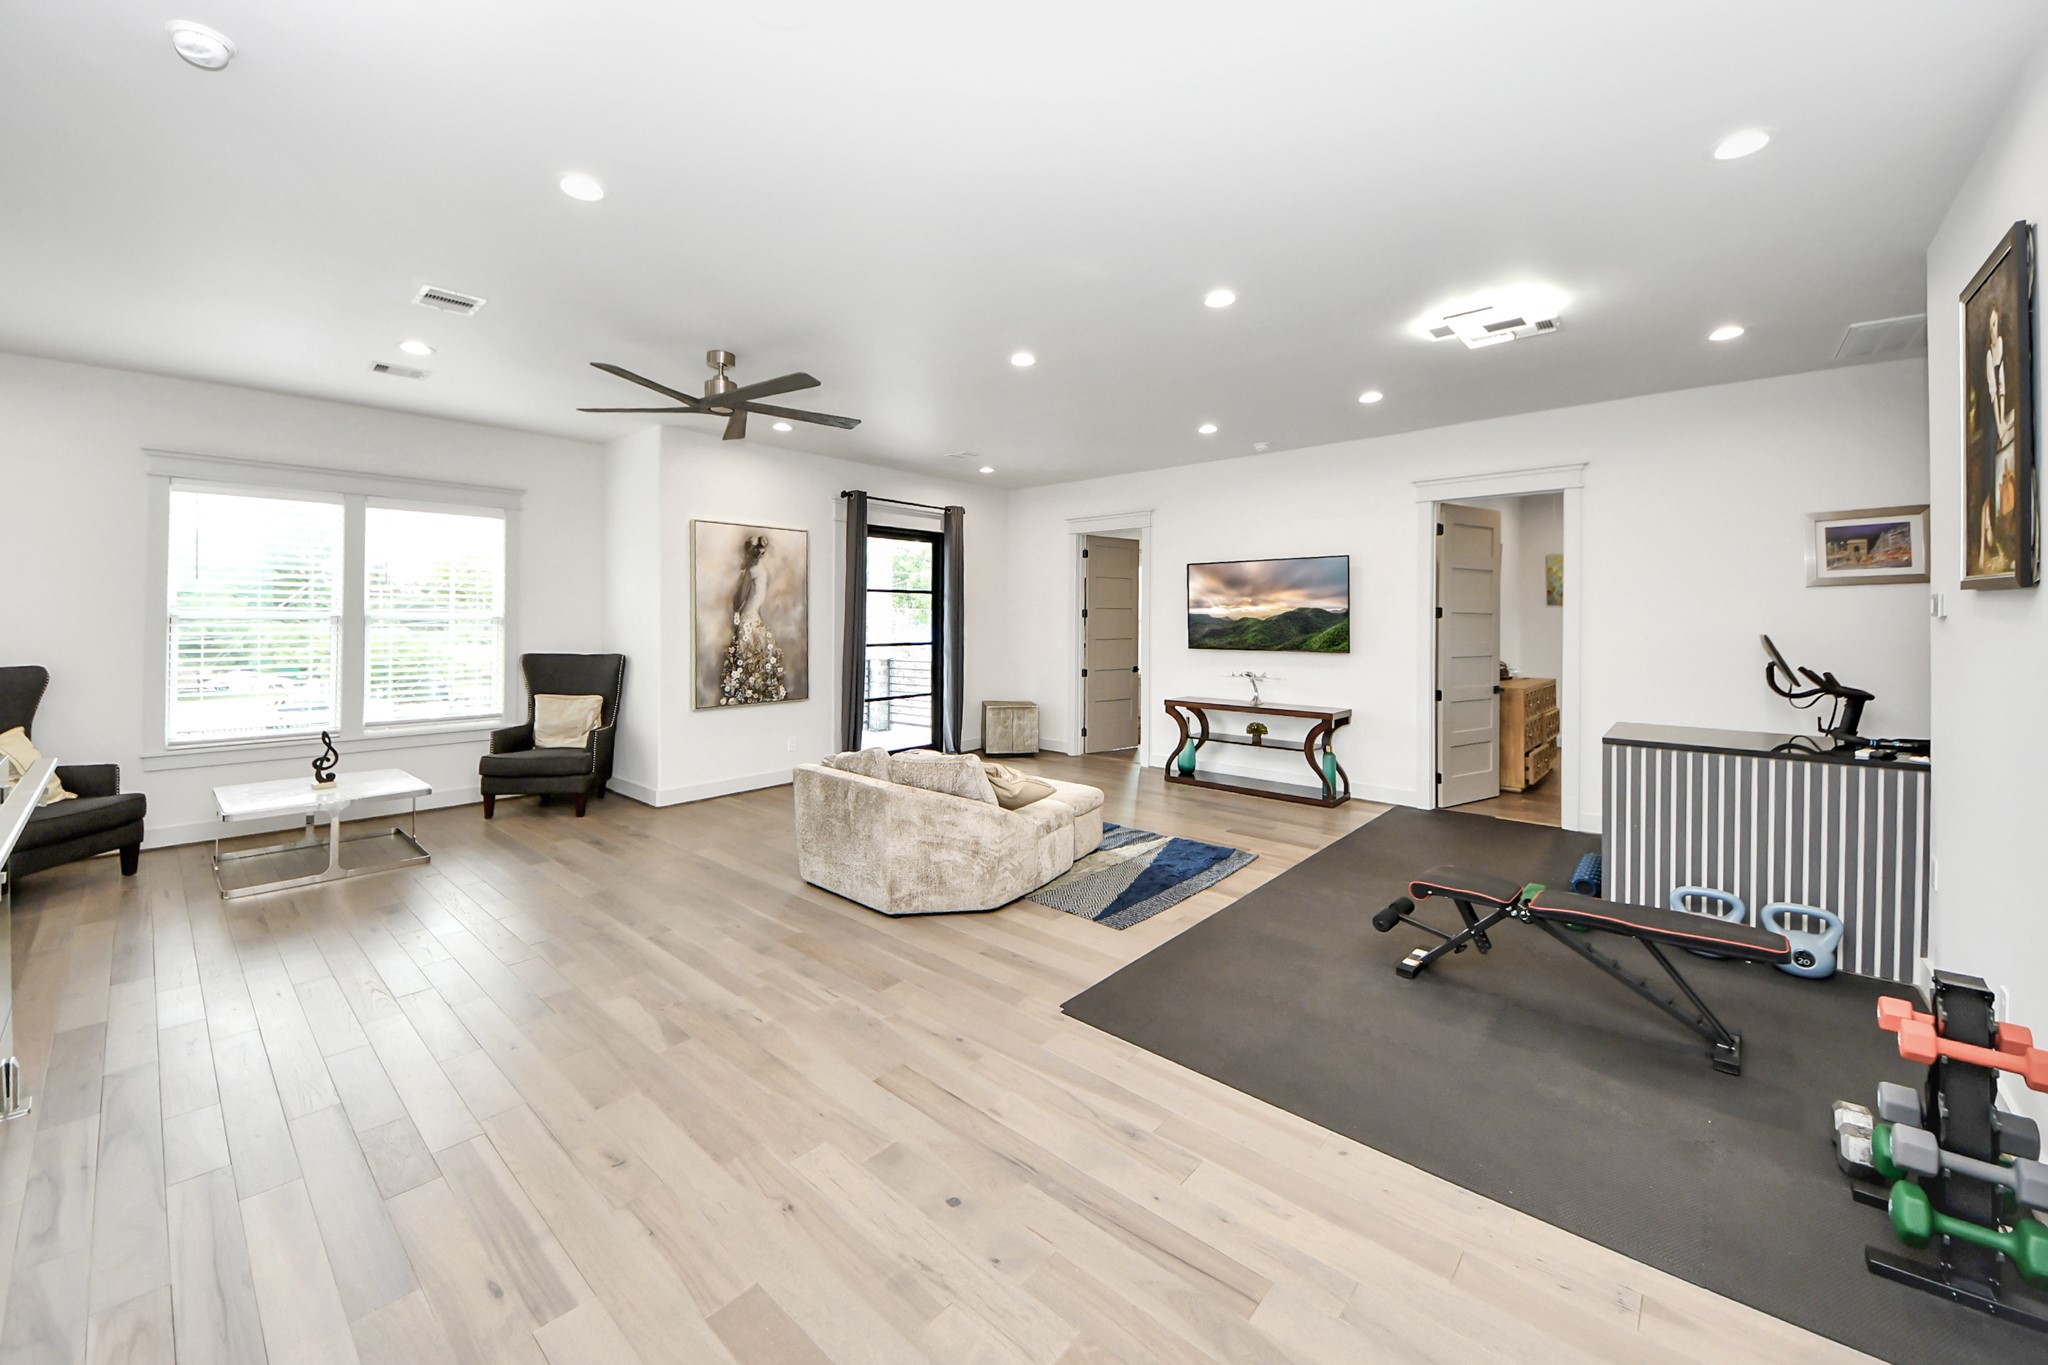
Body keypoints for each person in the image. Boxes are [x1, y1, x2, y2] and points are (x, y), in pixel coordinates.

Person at [719, 535, 790, 704]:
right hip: (750, 619)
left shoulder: (756, 570)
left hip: (752, 619)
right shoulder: (754, 570)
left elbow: (747, 600)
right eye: (755, 549)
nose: (758, 552)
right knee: (750, 661)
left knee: (757, 662)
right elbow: (744, 599)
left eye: (761, 549)